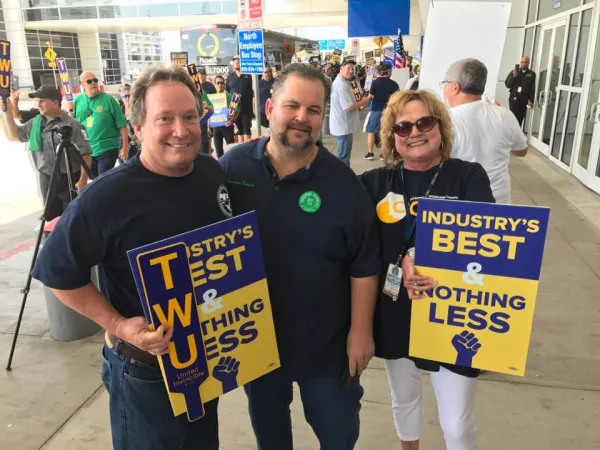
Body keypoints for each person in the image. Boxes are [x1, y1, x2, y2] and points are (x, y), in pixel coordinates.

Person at [31, 65, 229, 450]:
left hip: (205, 358)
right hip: (145, 371)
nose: (181, 130)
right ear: (137, 127)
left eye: (190, 117)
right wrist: (120, 326)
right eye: (165, 119)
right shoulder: (106, 197)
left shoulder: (210, 173)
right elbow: (57, 273)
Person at [220, 63, 380, 450]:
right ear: (270, 107)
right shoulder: (233, 167)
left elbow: (364, 263)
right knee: (271, 436)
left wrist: (361, 332)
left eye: (313, 110)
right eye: (292, 106)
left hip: (327, 343)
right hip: (256, 340)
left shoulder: (344, 184)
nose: (302, 118)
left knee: (338, 435)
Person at [360, 89, 495, 450]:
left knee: (456, 424)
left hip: (453, 313)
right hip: (396, 309)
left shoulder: (467, 177)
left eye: (424, 122)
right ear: (391, 136)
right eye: (403, 127)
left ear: (440, 126)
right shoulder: (374, 183)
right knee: (404, 399)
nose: (415, 132)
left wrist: (418, 255)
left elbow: (485, 242)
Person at [443, 58, 528, 204]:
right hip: (498, 203)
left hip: (458, 205)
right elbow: (521, 151)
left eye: (445, 84)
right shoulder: (504, 115)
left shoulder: (444, 120)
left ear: (455, 86)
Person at [3, 85, 92, 221]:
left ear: (55, 102)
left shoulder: (72, 125)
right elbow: (14, 136)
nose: (38, 104)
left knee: (71, 217)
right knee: (50, 217)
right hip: (46, 178)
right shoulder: (36, 123)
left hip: (69, 178)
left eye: (42, 101)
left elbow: (85, 154)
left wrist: (83, 180)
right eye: (37, 101)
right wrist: (7, 113)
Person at [74, 72, 128, 176]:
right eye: (89, 81)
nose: (93, 83)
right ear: (82, 84)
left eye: (95, 80)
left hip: (107, 148)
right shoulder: (77, 100)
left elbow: (122, 125)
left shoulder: (109, 100)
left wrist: (124, 147)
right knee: (95, 179)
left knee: (102, 179)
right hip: (87, 150)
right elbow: (75, 123)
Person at [329, 58, 371, 166]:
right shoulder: (341, 85)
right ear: (341, 68)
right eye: (348, 68)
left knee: (344, 155)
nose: (351, 71)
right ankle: (344, 176)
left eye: (352, 69)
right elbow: (348, 108)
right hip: (343, 127)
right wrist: (363, 102)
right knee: (344, 157)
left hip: (343, 126)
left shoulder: (345, 82)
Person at [364, 63, 399, 161]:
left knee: (371, 131)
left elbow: (370, 97)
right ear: (387, 72)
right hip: (389, 110)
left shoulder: (375, 83)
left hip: (376, 110)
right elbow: (398, 98)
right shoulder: (394, 84)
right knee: (386, 132)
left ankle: (370, 153)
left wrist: (361, 103)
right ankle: (384, 154)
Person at [226, 56, 254, 143]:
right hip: (234, 108)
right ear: (233, 64)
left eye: (238, 62)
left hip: (246, 107)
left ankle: (247, 147)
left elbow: (253, 91)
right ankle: (241, 147)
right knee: (239, 129)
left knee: (246, 128)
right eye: (235, 62)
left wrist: (254, 107)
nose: (237, 64)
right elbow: (226, 92)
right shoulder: (230, 77)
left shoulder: (248, 76)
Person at [210, 75, 237, 158]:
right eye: (217, 83)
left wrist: (233, 120)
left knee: (231, 151)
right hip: (216, 127)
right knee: (219, 151)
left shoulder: (229, 97)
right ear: (214, 84)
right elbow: (209, 113)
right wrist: (208, 127)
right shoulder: (211, 98)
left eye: (222, 83)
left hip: (227, 126)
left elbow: (237, 110)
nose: (220, 85)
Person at [504, 56, 536, 127]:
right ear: (520, 63)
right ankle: (510, 132)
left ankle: (517, 132)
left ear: (529, 63)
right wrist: (514, 76)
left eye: (526, 62)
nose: (523, 64)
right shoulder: (514, 72)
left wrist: (531, 100)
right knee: (512, 118)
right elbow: (507, 85)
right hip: (514, 98)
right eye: (522, 62)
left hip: (524, 99)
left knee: (520, 118)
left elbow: (532, 89)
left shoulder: (532, 74)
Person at [259, 65, 274, 135]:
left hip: (274, 111)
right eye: (265, 72)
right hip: (263, 112)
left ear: (271, 72)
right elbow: (254, 98)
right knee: (264, 132)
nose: (267, 74)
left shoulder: (276, 82)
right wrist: (254, 109)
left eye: (268, 72)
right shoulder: (259, 84)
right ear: (262, 74)